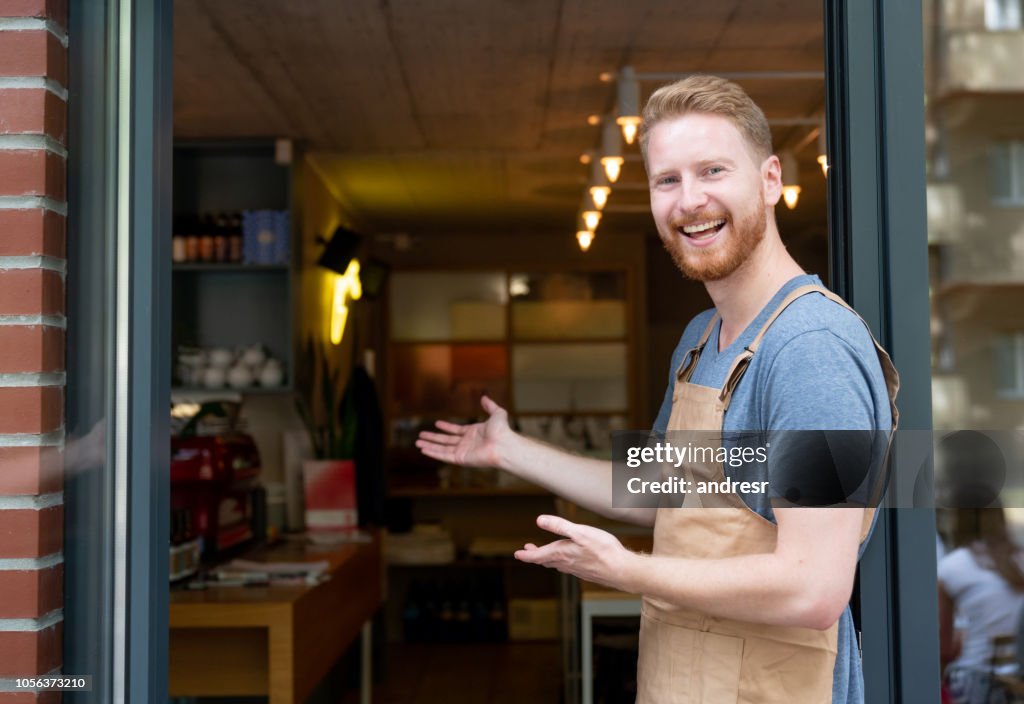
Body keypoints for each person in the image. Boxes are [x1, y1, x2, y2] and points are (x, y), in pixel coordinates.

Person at [417, 75, 898, 703]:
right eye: (667, 180)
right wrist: (509, 451)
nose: (689, 200)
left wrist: (628, 570)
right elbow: (662, 492)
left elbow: (815, 587)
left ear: (772, 179)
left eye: (713, 171)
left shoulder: (811, 350)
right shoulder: (702, 338)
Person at [939, 506, 1024, 703]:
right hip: (1017, 682)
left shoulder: (952, 566)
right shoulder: (1019, 559)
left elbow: (944, 650)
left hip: (974, 682)